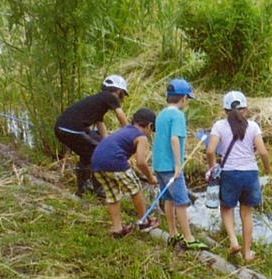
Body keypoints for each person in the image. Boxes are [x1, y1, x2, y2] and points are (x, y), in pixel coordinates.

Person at [205, 91, 272, 263]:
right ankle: (247, 253)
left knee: (227, 208)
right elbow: (263, 152)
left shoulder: (219, 126)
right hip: (250, 173)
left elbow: (210, 150)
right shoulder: (253, 126)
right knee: (246, 213)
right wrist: (268, 170)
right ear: (246, 110)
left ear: (225, 110)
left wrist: (212, 167)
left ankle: (234, 242)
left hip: (229, 173)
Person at [153, 78, 207, 251]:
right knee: (182, 202)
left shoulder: (161, 114)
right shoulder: (178, 115)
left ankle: (172, 232)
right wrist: (178, 164)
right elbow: (174, 139)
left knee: (168, 199)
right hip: (171, 166)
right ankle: (188, 238)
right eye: (187, 99)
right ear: (183, 98)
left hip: (159, 164)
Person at [54, 75, 130, 197]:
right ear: (118, 91)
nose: (121, 99)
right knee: (98, 152)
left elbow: (100, 122)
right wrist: (129, 133)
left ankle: (84, 187)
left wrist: (106, 141)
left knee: (89, 150)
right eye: (122, 95)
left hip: (62, 128)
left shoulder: (100, 101)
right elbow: (120, 115)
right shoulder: (110, 96)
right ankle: (97, 188)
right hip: (70, 129)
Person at [90, 108, 159, 237]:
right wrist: (150, 177)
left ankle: (117, 229)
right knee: (135, 189)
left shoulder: (125, 130)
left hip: (96, 161)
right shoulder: (141, 137)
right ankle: (144, 222)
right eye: (152, 130)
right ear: (150, 125)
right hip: (115, 161)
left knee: (113, 194)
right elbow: (141, 162)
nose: (150, 134)